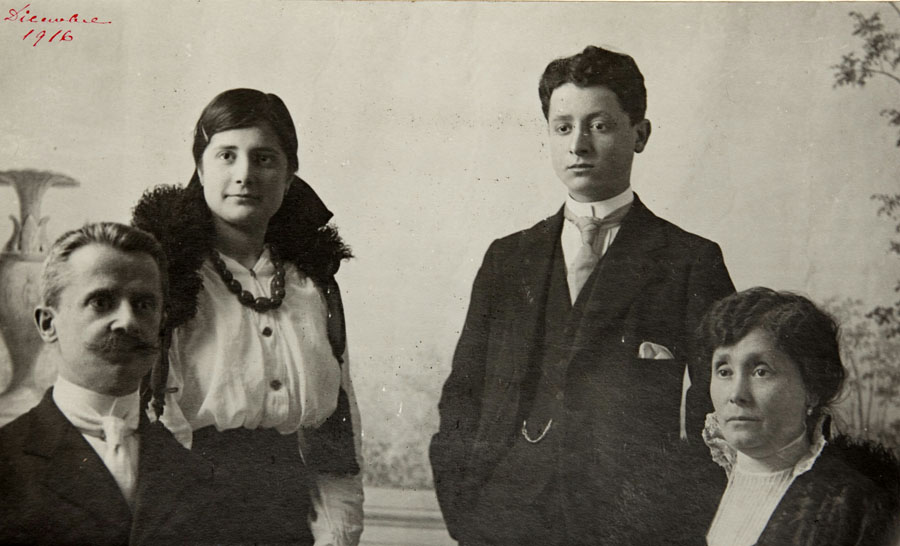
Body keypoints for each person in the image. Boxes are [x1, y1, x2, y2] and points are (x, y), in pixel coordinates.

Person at [430, 45, 735, 545]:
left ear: (640, 134)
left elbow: (720, 406)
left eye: (600, 125)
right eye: (563, 127)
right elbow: (463, 393)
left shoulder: (689, 260)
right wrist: (467, 510)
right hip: (505, 520)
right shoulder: (507, 259)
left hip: (629, 527)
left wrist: (679, 520)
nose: (579, 145)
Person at [132, 88, 363, 545]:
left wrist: (337, 537)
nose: (244, 175)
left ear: (290, 175)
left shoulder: (311, 285)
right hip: (182, 518)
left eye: (264, 159)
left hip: (288, 521)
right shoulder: (165, 279)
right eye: (227, 156)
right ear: (201, 169)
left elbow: (336, 432)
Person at [0, 222, 218, 545]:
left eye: (144, 305)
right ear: (48, 324)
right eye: (101, 302)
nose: (127, 321)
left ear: (161, 325)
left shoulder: (194, 472)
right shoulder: (6, 464)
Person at [696, 287, 899, 546]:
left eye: (761, 372)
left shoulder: (857, 506)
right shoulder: (685, 487)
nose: (736, 394)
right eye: (724, 372)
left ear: (812, 389)